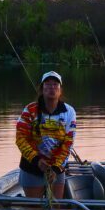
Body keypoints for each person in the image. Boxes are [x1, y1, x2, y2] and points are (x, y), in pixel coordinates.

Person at [16, 71, 76, 199]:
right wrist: (37, 161)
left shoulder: (69, 111)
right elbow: (20, 139)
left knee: (56, 207)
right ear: (42, 89)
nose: (51, 88)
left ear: (60, 90)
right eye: (47, 84)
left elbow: (68, 142)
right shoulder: (29, 110)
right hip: (31, 166)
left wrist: (55, 168)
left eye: (55, 84)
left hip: (56, 168)